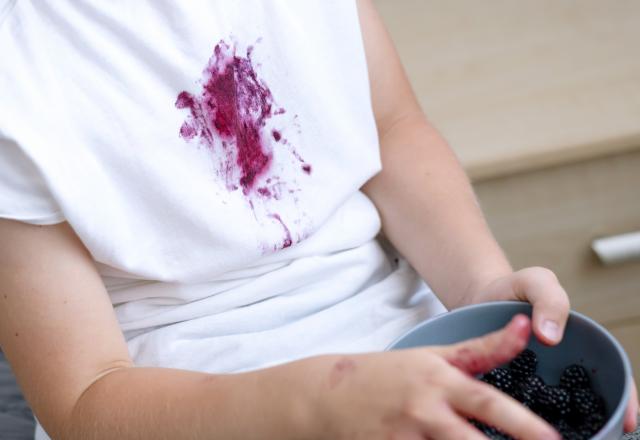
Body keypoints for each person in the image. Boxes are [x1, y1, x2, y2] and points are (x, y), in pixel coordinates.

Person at [0, 1, 636, 439]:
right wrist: (321, 399)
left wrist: (482, 290)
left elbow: (391, 127)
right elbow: (88, 401)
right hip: (194, 405)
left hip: (409, 347)